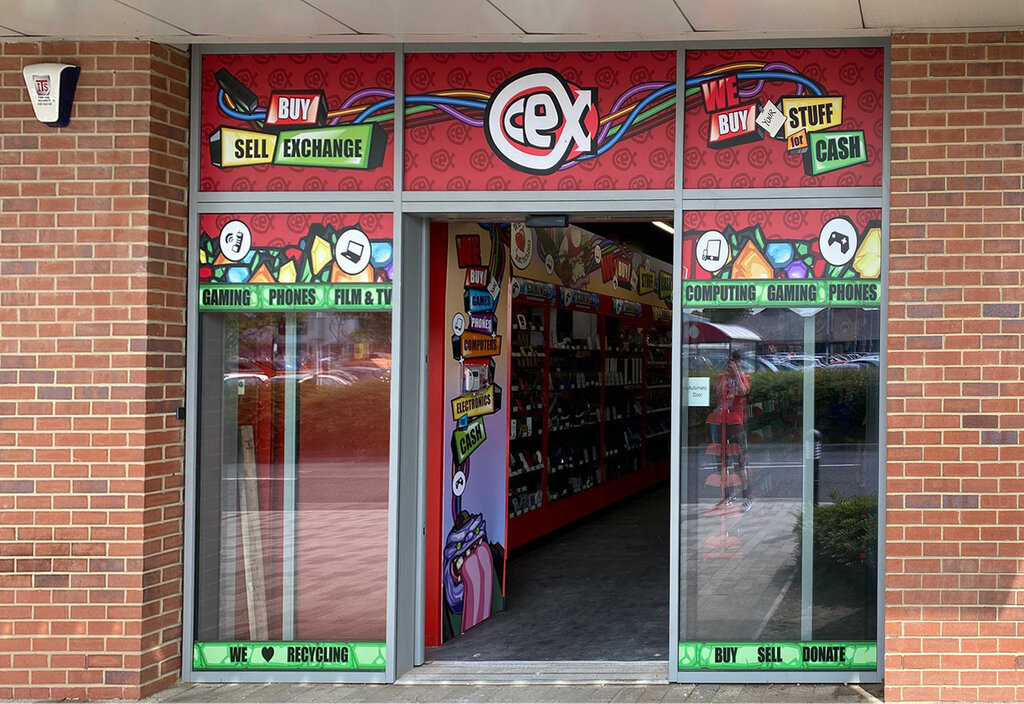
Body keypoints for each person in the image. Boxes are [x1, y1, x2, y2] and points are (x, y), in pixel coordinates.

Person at [710, 350, 752, 511]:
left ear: (740, 362)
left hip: (736, 422)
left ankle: (747, 496)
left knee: (739, 462)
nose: (732, 364)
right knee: (722, 462)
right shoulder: (722, 377)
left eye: (735, 361)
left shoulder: (744, 377)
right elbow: (717, 393)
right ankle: (727, 495)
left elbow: (743, 391)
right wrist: (725, 375)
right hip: (721, 422)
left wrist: (736, 372)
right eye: (730, 362)